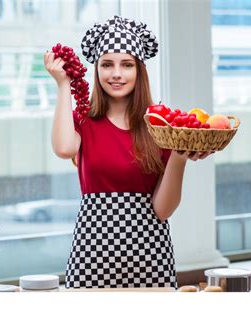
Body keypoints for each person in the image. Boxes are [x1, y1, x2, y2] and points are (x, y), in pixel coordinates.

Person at [44, 15, 213, 289]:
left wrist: (179, 158)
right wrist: (63, 84)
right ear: (96, 70)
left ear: (139, 71)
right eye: (107, 64)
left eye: (127, 65)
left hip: (150, 257)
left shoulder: (161, 127)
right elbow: (64, 149)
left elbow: (162, 209)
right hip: (91, 256)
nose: (117, 74)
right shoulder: (85, 120)